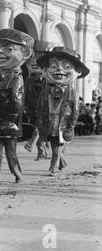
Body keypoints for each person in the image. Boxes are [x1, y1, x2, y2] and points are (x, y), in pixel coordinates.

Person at [0, 29, 34, 187]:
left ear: (24, 53)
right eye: (0, 48)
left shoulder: (16, 78)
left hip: (8, 123)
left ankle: (17, 174)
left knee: (11, 153)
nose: (0, 52)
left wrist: (9, 120)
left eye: (9, 49)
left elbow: (16, 102)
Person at [37, 47, 90, 175]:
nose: (59, 70)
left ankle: (52, 168)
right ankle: (62, 163)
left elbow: (75, 111)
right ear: (45, 69)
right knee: (55, 148)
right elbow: (40, 109)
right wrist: (40, 125)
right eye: (54, 66)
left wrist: (71, 126)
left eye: (66, 67)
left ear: (77, 72)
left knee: (56, 150)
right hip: (50, 125)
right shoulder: (45, 92)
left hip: (63, 125)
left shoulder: (72, 92)